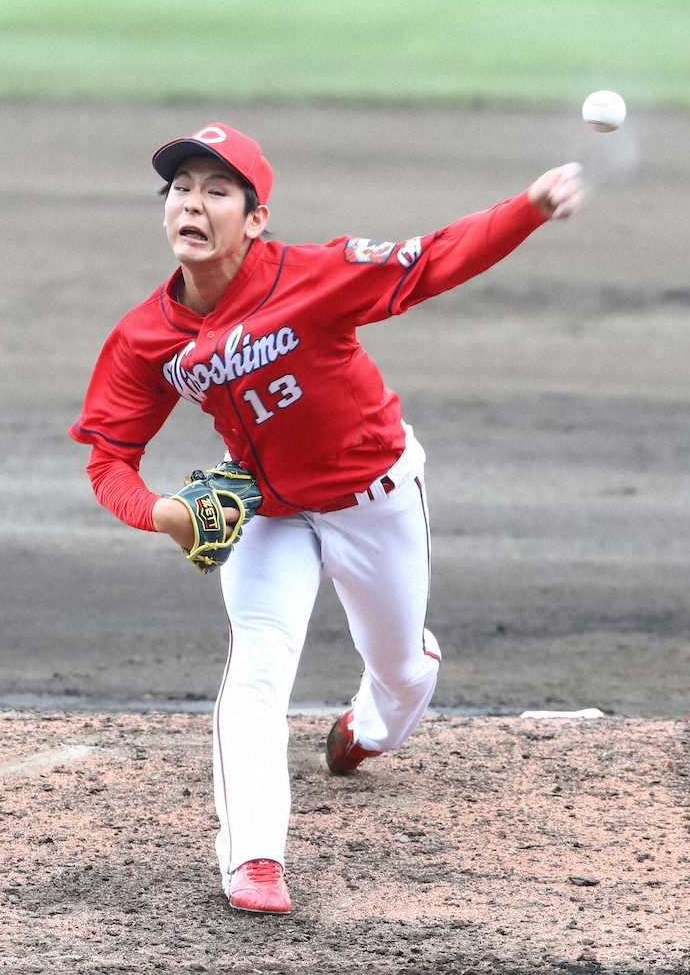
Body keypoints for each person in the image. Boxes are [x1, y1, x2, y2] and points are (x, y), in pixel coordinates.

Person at [69, 121, 583, 915]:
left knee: (401, 667)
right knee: (254, 674)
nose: (191, 203)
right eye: (180, 189)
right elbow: (109, 456)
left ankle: (369, 727)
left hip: (374, 499)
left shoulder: (313, 275)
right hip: (266, 514)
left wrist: (529, 207)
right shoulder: (147, 336)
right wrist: (161, 513)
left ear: (255, 218)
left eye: (216, 190)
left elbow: (430, 260)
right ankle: (253, 860)